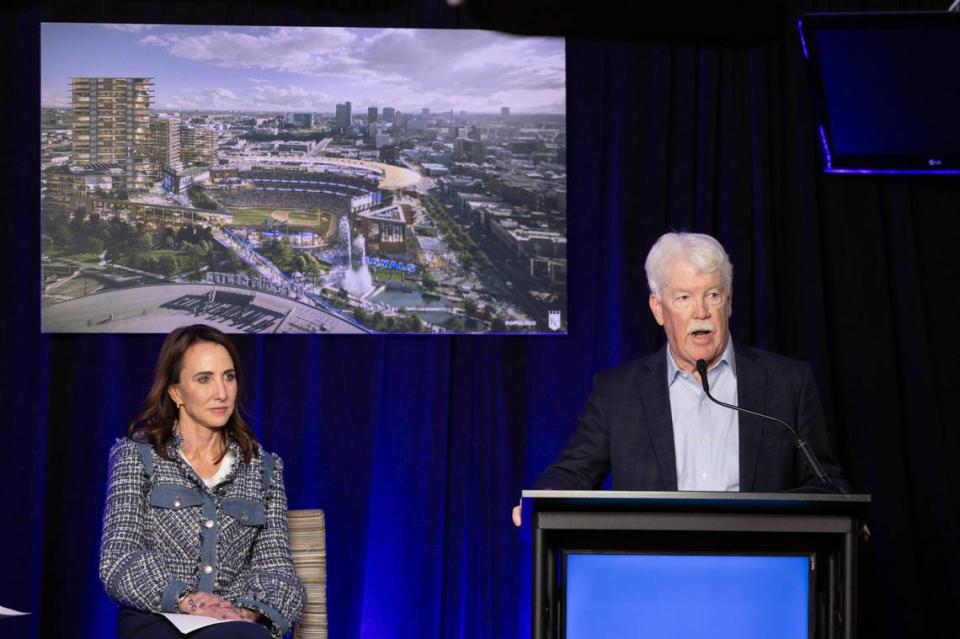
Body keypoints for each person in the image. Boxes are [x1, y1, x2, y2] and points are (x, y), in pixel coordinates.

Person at [513, 232, 848, 526]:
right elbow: (575, 472)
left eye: (713, 296)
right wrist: (536, 501)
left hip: (756, 574)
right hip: (654, 577)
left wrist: (841, 513)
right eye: (684, 298)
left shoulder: (786, 383)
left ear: (729, 303)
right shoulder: (618, 393)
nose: (701, 312)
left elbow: (826, 482)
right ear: (658, 309)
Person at [99, 324, 304, 638]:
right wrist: (186, 600)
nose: (221, 393)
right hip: (159, 620)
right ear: (176, 391)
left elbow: (277, 569)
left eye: (229, 376)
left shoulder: (264, 467)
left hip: (234, 625)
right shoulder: (137, 456)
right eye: (204, 379)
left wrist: (246, 611)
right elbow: (119, 560)